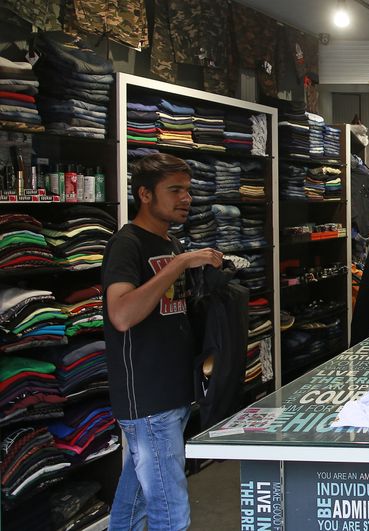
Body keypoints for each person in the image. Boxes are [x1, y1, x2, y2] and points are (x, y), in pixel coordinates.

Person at [102, 153, 223, 530]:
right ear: (145, 194)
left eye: (187, 190)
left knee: (135, 496)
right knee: (170, 509)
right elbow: (121, 314)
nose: (185, 198)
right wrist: (179, 264)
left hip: (170, 395)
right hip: (148, 399)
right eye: (175, 190)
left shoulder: (168, 242)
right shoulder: (128, 245)